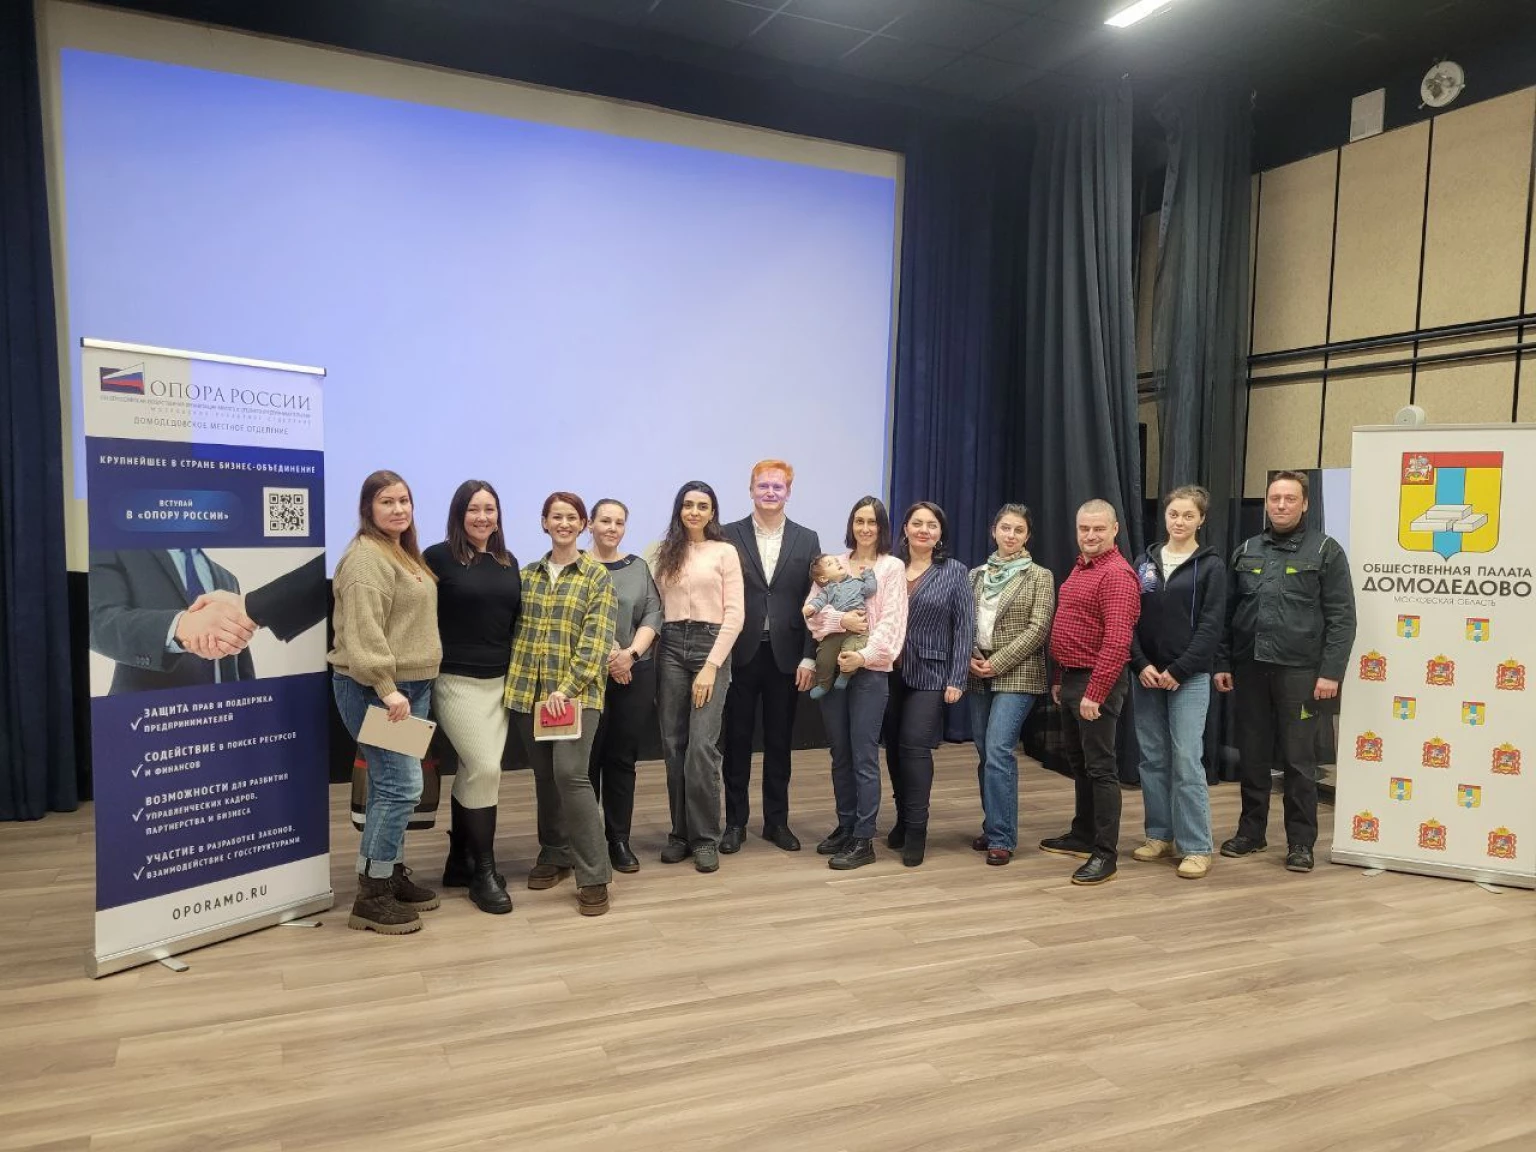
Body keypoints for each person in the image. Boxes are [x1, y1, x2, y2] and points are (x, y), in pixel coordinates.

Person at [1215, 470, 1357, 874]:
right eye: (1274, 498)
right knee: (1253, 756)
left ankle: (1300, 842)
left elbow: (1343, 618)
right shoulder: (1246, 550)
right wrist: (1222, 662)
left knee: (1298, 761)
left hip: (1301, 673)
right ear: (1266, 502)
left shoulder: (1326, 551)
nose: (1280, 505)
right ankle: (1251, 832)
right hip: (1250, 669)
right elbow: (1227, 613)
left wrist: (1331, 673)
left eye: (1289, 498)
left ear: (1305, 504)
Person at [329, 470, 443, 935]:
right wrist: (385, 686)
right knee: (401, 788)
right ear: (368, 509)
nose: (398, 509)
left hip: (410, 688)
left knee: (386, 786)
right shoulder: (365, 559)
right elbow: (364, 632)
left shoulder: (399, 551)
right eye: (386, 502)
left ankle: (388, 873)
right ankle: (372, 896)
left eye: (404, 501)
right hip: (379, 691)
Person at [503, 492, 618, 916]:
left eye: (572, 517)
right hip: (528, 694)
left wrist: (565, 689)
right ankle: (554, 853)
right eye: (556, 516)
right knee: (545, 776)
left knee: (571, 775)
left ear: (583, 524)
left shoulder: (596, 577)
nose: (564, 523)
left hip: (576, 695)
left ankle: (594, 874)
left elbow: (596, 640)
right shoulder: (527, 575)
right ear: (544, 522)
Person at [424, 479, 521, 915]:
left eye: (490, 509)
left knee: (473, 771)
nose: (483, 517)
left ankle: (458, 862)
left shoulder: (507, 562)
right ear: (458, 514)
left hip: (498, 685)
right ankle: (484, 872)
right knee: (485, 767)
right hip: (454, 681)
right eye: (474, 509)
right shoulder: (437, 557)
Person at [721, 460, 821, 855]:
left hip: (786, 657)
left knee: (779, 742)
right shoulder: (728, 534)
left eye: (778, 487)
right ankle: (735, 823)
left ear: (788, 493)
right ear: (751, 490)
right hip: (740, 652)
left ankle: (777, 822)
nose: (770, 492)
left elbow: (816, 601)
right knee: (737, 741)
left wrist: (809, 657)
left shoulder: (807, 538)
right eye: (763, 486)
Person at [1040, 499, 1141, 886]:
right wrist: (1060, 678)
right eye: (1084, 528)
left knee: (1101, 769)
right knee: (1080, 764)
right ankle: (1083, 835)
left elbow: (1117, 642)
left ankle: (1104, 854)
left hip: (1097, 682)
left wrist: (1095, 693)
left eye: (1099, 529)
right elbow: (1073, 625)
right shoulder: (1083, 567)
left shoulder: (1117, 575)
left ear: (1115, 529)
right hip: (1072, 678)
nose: (1091, 535)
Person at [1128, 486, 1226, 880]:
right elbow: (1129, 617)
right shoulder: (1144, 562)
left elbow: (1211, 626)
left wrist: (1179, 671)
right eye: (1174, 514)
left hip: (1189, 678)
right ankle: (1159, 835)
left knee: (1186, 759)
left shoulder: (1212, 566)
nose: (1180, 522)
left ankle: (1196, 847)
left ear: (1201, 519)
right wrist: (1140, 664)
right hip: (1146, 676)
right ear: (1164, 517)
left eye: (1188, 515)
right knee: (1153, 758)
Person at [807, 496, 908, 870]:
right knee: (840, 754)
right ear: (851, 525)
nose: (865, 528)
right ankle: (846, 825)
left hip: (870, 672)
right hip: (834, 669)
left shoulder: (891, 567)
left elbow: (892, 623)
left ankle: (864, 839)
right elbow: (813, 617)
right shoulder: (832, 563)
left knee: (863, 756)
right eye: (859, 521)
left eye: (872, 522)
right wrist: (841, 622)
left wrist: (862, 656)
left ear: (882, 527)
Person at [653, 482, 745, 873]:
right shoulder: (664, 552)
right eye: (688, 505)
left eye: (702, 506)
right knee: (673, 744)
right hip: (672, 645)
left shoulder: (725, 551)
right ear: (679, 509)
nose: (694, 511)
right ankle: (680, 834)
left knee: (701, 747)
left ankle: (706, 837)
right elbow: (656, 606)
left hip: (712, 645)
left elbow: (735, 614)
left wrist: (711, 666)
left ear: (712, 513)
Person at [883, 502, 973, 867]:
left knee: (914, 746)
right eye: (917, 523)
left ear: (940, 533)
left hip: (932, 674)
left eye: (932, 525)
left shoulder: (954, 572)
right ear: (905, 528)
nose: (924, 530)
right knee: (892, 748)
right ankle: (903, 819)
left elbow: (965, 627)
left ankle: (917, 830)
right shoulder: (890, 567)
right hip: (886, 670)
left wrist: (957, 677)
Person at [967, 503, 1055, 866]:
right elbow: (964, 621)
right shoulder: (975, 575)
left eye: (1019, 530)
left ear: (1027, 535)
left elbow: (1039, 629)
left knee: (999, 749)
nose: (1011, 535)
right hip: (977, 669)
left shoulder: (1040, 576)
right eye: (1005, 528)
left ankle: (1002, 837)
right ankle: (992, 826)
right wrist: (971, 657)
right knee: (985, 753)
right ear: (994, 530)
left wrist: (997, 663)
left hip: (1018, 672)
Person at [586, 498, 662, 874]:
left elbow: (653, 613)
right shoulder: (577, 567)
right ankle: (587, 842)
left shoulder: (638, 567)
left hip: (635, 672)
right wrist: (608, 657)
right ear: (590, 524)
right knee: (585, 761)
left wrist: (629, 655)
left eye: (619, 522)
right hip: (586, 676)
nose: (612, 528)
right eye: (605, 521)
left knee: (621, 759)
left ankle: (618, 839)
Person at [88, 549, 256, 691]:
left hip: (224, 710)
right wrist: (178, 626)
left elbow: (240, 649)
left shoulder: (227, 577)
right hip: (149, 713)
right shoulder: (116, 552)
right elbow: (97, 621)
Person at [803, 555, 878, 698]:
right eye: (830, 564)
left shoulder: (857, 583)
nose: (837, 563)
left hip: (857, 632)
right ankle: (823, 684)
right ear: (824, 578)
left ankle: (845, 675)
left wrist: (868, 574)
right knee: (823, 658)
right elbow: (819, 602)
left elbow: (871, 589)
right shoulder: (827, 591)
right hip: (834, 633)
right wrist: (811, 607)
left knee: (850, 651)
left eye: (836, 561)